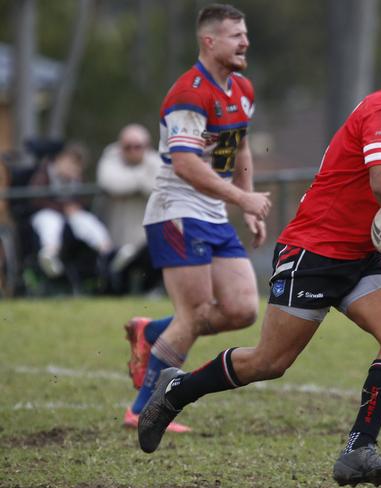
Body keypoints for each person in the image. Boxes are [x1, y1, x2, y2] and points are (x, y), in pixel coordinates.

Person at [137, 39, 381, 487]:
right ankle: (176, 390)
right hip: (315, 253)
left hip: (360, 256)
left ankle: (358, 451)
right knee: (269, 362)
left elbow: (380, 194)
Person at [121, 4, 271, 433]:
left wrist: (244, 203)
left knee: (242, 310)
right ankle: (141, 409)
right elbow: (185, 165)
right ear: (209, 41)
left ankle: (152, 334)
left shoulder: (242, 88)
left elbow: (241, 149)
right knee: (196, 313)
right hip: (176, 212)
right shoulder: (189, 93)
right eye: (235, 36)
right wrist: (241, 199)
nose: (245, 42)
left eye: (245, 34)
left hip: (214, 213)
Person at [30, 143, 113, 279]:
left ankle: (107, 252)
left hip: (70, 218)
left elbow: (84, 200)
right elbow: (36, 200)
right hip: (46, 214)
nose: (72, 168)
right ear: (59, 160)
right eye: (69, 163)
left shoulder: (77, 179)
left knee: (86, 221)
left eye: (76, 165)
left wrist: (74, 207)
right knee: (50, 222)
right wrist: (63, 208)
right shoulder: (43, 174)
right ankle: (50, 254)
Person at [97, 124, 161, 293]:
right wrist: (141, 179)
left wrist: (130, 184)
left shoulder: (156, 161)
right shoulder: (111, 157)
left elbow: (158, 187)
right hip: (114, 238)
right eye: (127, 147)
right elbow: (110, 183)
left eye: (138, 147)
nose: (133, 151)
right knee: (115, 283)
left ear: (147, 147)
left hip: (146, 239)